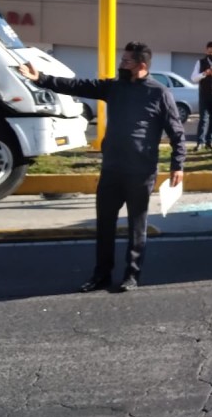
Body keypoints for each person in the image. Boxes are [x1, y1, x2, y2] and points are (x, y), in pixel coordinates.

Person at [18, 42, 186, 292]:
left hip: (141, 172)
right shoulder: (113, 88)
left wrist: (178, 165)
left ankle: (132, 275)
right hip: (112, 169)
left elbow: (177, 132)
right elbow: (77, 85)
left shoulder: (159, 93)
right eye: (122, 59)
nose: (121, 64)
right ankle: (101, 274)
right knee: (104, 225)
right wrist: (41, 78)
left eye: (126, 61)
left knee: (136, 227)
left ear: (141, 65)